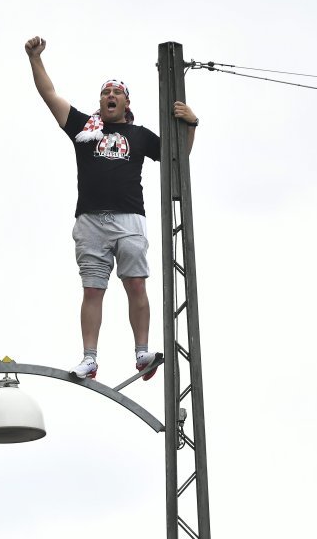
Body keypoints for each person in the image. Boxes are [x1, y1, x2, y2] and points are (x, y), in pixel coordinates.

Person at [24, 35, 198, 380]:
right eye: (105, 92)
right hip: (90, 220)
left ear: (127, 101)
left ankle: (142, 353)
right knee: (92, 289)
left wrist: (191, 125)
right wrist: (35, 59)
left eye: (117, 92)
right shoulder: (84, 127)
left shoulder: (140, 135)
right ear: (100, 102)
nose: (111, 95)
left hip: (129, 218)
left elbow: (177, 158)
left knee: (135, 285)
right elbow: (50, 95)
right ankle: (89, 358)